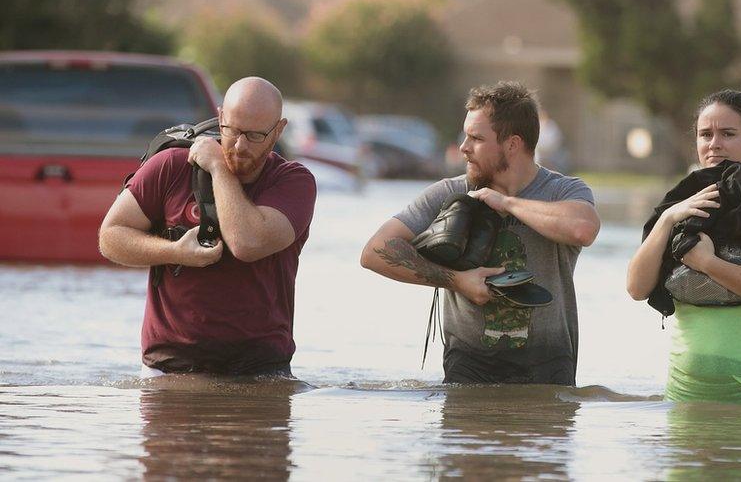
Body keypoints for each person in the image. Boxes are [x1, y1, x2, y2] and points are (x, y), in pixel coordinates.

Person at [361, 81, 600, 385]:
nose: (463, 147)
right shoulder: (450, 192)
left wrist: (508, 203)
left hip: (547, 364)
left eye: (476, 138)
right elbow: (374, 252)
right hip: (468, 364)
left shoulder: (563, 190)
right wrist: (456, 280)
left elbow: (583, 228)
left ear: (512, 144)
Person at [99, 77, 316, 377]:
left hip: (260, 372)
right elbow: (110, 237)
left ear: (278, 130)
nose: (240, 146)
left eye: (255, 135)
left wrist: (217, 168)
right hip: (168, 367)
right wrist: (175, 251)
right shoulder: (170, 166)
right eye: (233, 130)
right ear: (221, 118)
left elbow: (247, 243)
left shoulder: (293, 182)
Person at [626, 89, 741, 407]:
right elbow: (637, 288)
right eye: (705, 134)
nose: (714, 144)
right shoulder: (675, 207)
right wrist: (667, 220)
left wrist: (708, 263)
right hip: (687, 394)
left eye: (728, 133)